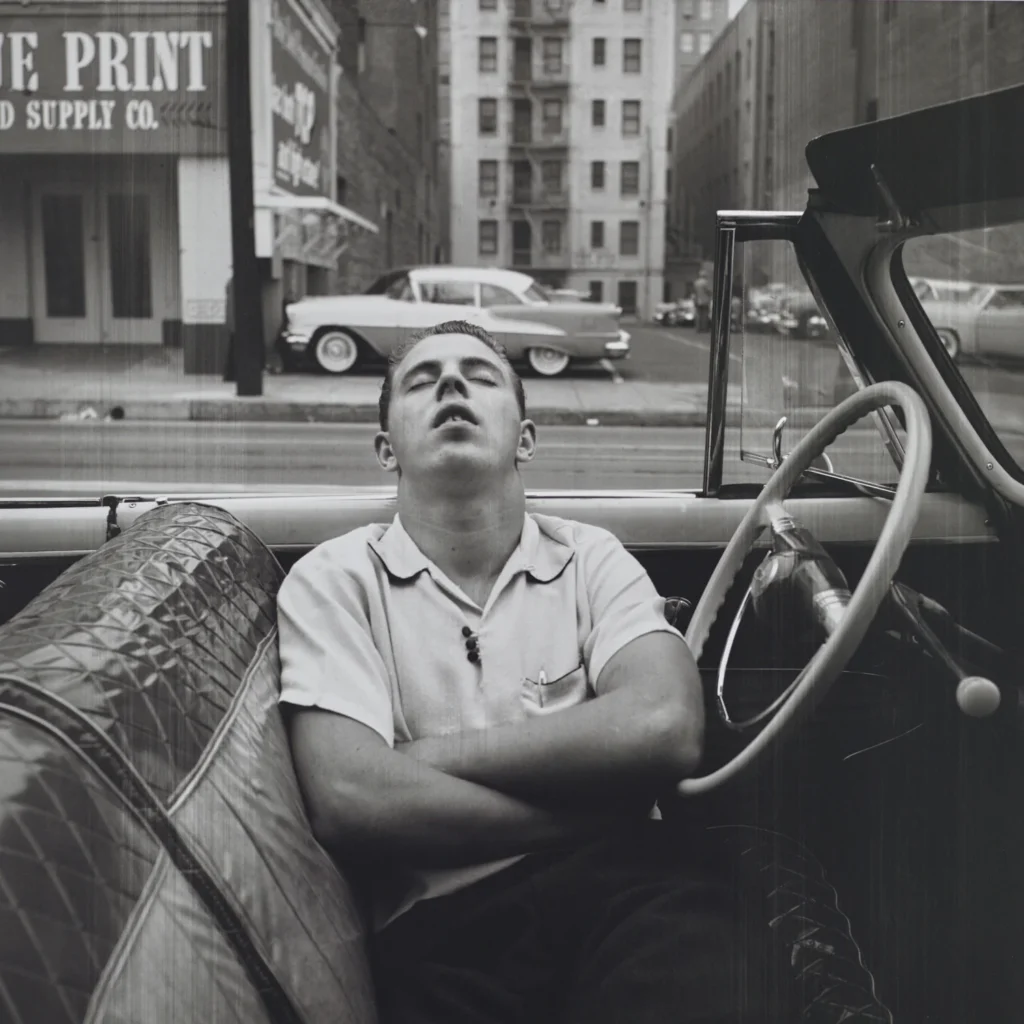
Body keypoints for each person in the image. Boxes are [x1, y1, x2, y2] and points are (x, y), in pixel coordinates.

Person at [276, 320, 886, 1023]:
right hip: (440, 929)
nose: (450, 385)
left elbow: (662, 724)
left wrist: (420, 760)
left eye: (478, 377)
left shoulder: (591, 557)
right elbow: (351, 793)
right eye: (422, 380)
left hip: (634, 894)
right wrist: (589, 818)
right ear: (387, 450)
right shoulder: (335, 577)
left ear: (526, 439)